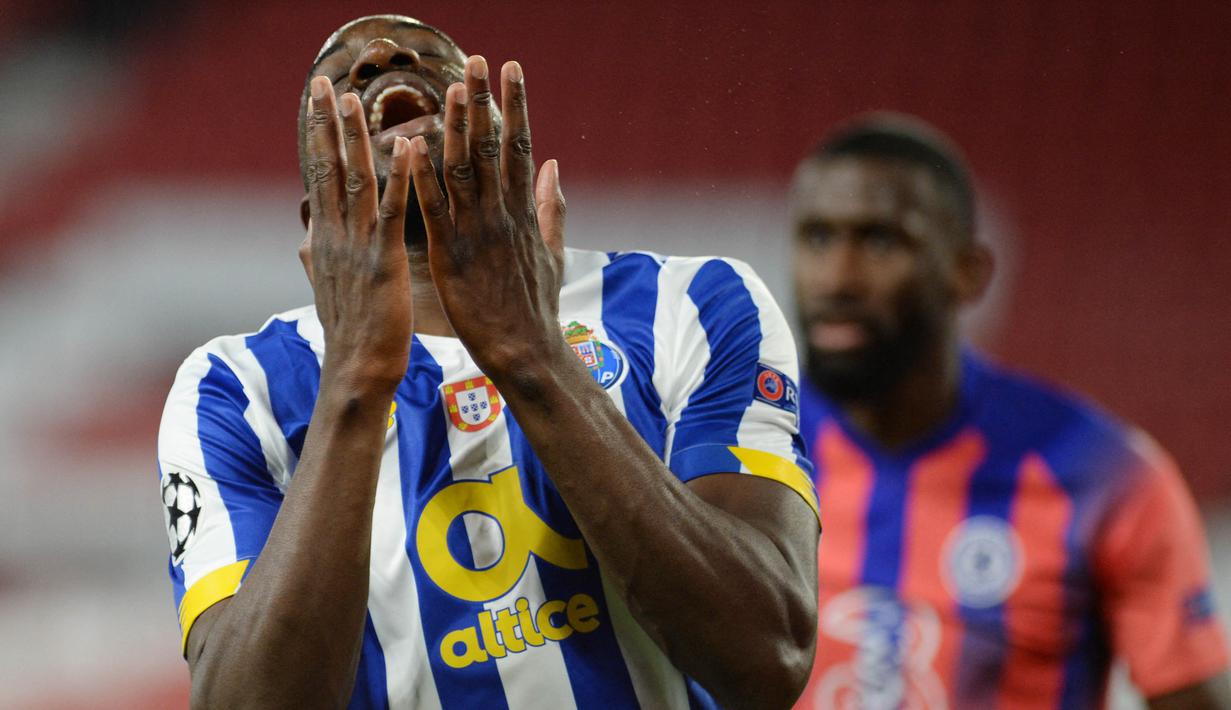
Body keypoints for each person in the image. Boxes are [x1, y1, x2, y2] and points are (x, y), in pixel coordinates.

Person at [155, 14, 820, 709]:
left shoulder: (690, 303)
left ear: (506, 142)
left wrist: (529, 353)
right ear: (316, 223)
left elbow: (766, 655)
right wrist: (353, 381)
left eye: (424, 56)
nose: (382, 55)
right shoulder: (232, 390)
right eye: (343, 75)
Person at [788, 113, 1230, 709]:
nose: (836, 278)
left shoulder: (1103, 474)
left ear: (968, 272)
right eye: (817, 238)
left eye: (880, 241)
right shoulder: (735, 448)